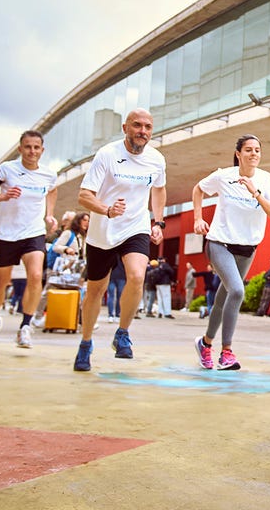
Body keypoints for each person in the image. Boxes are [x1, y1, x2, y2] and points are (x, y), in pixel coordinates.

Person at [73, 108, 166, 372]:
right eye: (137, 126)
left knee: (137, 276)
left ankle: (122, 333)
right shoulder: (108, 155)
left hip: (135, 227)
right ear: (125, 128)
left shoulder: (157, 159)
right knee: (95, 291)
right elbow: (84, 195)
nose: (143, 131)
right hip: (103, 231)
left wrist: (157, 222)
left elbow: (159, 189)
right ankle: (86, 342)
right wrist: (107, 210)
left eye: (148, 127)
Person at [192, 134, 270, 371]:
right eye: (249, 150)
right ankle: (227, 353)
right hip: (219, 243)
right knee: (237, 290)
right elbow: (198, 189)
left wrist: (256, 194)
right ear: (238, 154)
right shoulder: (224, 176)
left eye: (257, 150)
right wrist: (198, 219)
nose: (254, 154)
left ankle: (205, 343)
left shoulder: (267, 180)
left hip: (247, 248)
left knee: (224, 299)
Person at [0, 131, 58, 350]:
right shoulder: (6, 169)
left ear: (42, 150)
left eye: (36, 147)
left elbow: (52, 191)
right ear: (20, 148)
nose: (32, 151)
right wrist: (1, 197)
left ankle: (25, 326)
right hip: (6, 234)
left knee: (35, 276)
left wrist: (49, 214)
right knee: (0, 282)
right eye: (27, 147)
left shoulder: (49, 174)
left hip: (33, 232)